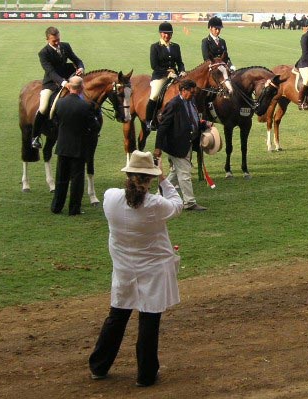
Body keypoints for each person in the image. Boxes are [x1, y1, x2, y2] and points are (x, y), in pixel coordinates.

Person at [88, 150, 184, 387]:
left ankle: (99, 366)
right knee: (149, 319)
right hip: (152, 270)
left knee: (117, 316)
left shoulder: (110, 198)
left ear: (128, 174)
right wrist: (164, 178)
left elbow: (127, 199)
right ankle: (146, 374)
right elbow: (178, 204)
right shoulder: (154, 204)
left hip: (124, 269)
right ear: (149, 178)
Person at [153, 79, 210, 211]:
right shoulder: (174, 104)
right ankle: (189, 202)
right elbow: (163, 127)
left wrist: (203, 124)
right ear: (182, 91)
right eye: (190, 92)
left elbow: (192, 119)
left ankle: (158, 197)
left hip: (187, 143)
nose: (192, 94)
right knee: (184, 174)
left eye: (194, 92)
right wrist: (158, 147)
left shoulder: (191, 101)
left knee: (174, 174)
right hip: (177, 145)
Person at [50, 76, 100, 216]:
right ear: (82, 88)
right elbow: (95, 126)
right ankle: (74, 209)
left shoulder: (59, 103)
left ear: (69, 87)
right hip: (79, 148)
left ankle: (56, 206)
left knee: (61, 178)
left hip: (63, 146)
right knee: (77, 180)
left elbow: (55, 121)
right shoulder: (86, 106)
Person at [31, 26, 85, 149]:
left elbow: (76, 59)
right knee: (44, 107)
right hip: (51, 83)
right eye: (54, 41)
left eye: (58, 39)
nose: (57, 42)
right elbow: (50, 72)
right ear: (47, 40)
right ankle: (35, 137)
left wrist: (81, 67)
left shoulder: (65, 46)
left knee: (84, 97)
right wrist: (63, 83)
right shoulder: (43, 53)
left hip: (69, 78)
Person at [147, 21, 186, 131]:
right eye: (165, 33)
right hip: (160, 76)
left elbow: (180, 62)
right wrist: (167, 73)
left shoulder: (176, 47)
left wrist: (182, 70)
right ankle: (149, 121)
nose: (167, 36)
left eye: (169, 34)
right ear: (160, 33)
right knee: (154, 95)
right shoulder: (155, 47)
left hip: (175, 76)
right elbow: (154, 65)